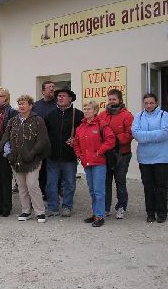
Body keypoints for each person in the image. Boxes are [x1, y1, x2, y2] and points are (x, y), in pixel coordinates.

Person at [0, 95, 51, 223]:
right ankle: (26, 211)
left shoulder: (38, 120)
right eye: (19, 103)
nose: (21, 106)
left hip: (33, 159)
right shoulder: (13, 121)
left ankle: (40, 212)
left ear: (30, 105)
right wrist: (7, 153)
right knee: (21, 186)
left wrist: (32, 153)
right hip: (16, 159)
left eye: (24, 103)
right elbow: (6, 138)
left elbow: (42, 140)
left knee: (32, 184)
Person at [132, 93, 168, 223]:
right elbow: (136, 134)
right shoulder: (139, 116)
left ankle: (161, 213)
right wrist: (154, 135)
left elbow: (165, 133)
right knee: (148, 186)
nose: (149, 106)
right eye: (146, 103)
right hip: (145, 158)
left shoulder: (163, 115)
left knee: (161, 186)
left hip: (162, 157)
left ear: (156, 103)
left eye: (151, 103)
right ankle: (150, 212)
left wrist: (146, 136)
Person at [74, 100, 116, 227]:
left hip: (98, 162)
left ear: (95, 111)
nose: (86, 111)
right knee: (92, 190)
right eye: (85, 108)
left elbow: (110, 140)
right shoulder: (80, 127)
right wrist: (79, 155)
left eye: (89, 109)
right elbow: (76, 143)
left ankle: (99, 215)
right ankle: (96, 213)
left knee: (99, 190)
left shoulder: (102, 125)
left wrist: (100, 151)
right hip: (87, 162)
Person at [45, 88, 84, 217]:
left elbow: (84, 133)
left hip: (69, 156)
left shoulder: (78, 115)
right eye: (59, 96)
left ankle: (67, 206)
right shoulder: (50, 114)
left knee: (70, 183)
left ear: (70, 99)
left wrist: (76, 140)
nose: (60, 98)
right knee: (51, 182)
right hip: (53, 155)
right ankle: (52, 206)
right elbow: (45, 134)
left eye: (63, 96)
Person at [97, 88, 134, 219]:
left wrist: (113, 139)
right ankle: (106, 207)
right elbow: (97, 131)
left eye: (114, 99)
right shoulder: (102, 115)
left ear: (120, 100)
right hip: (106, 154)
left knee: (120, 181)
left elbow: (130, 134)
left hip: (122, 154)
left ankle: (121, 207)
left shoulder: (127, 115)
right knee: (105, 182)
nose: (111, 101)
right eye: (110, 99)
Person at [0, 87, 18, 217]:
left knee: (5, 178)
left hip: (5, 148)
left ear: (5, 98)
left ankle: (6, 206)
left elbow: (12, 132)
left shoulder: (11, 112)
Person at [32, 80, 57, 200]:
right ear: (42, 91)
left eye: (53, 87)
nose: (52, 89)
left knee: (52, 170)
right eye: (49, 87)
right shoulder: (36, 105)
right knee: (40, 170)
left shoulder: (58, 104)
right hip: (39, 143)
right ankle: (42, 192)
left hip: (54, 143)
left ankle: (53, 194)